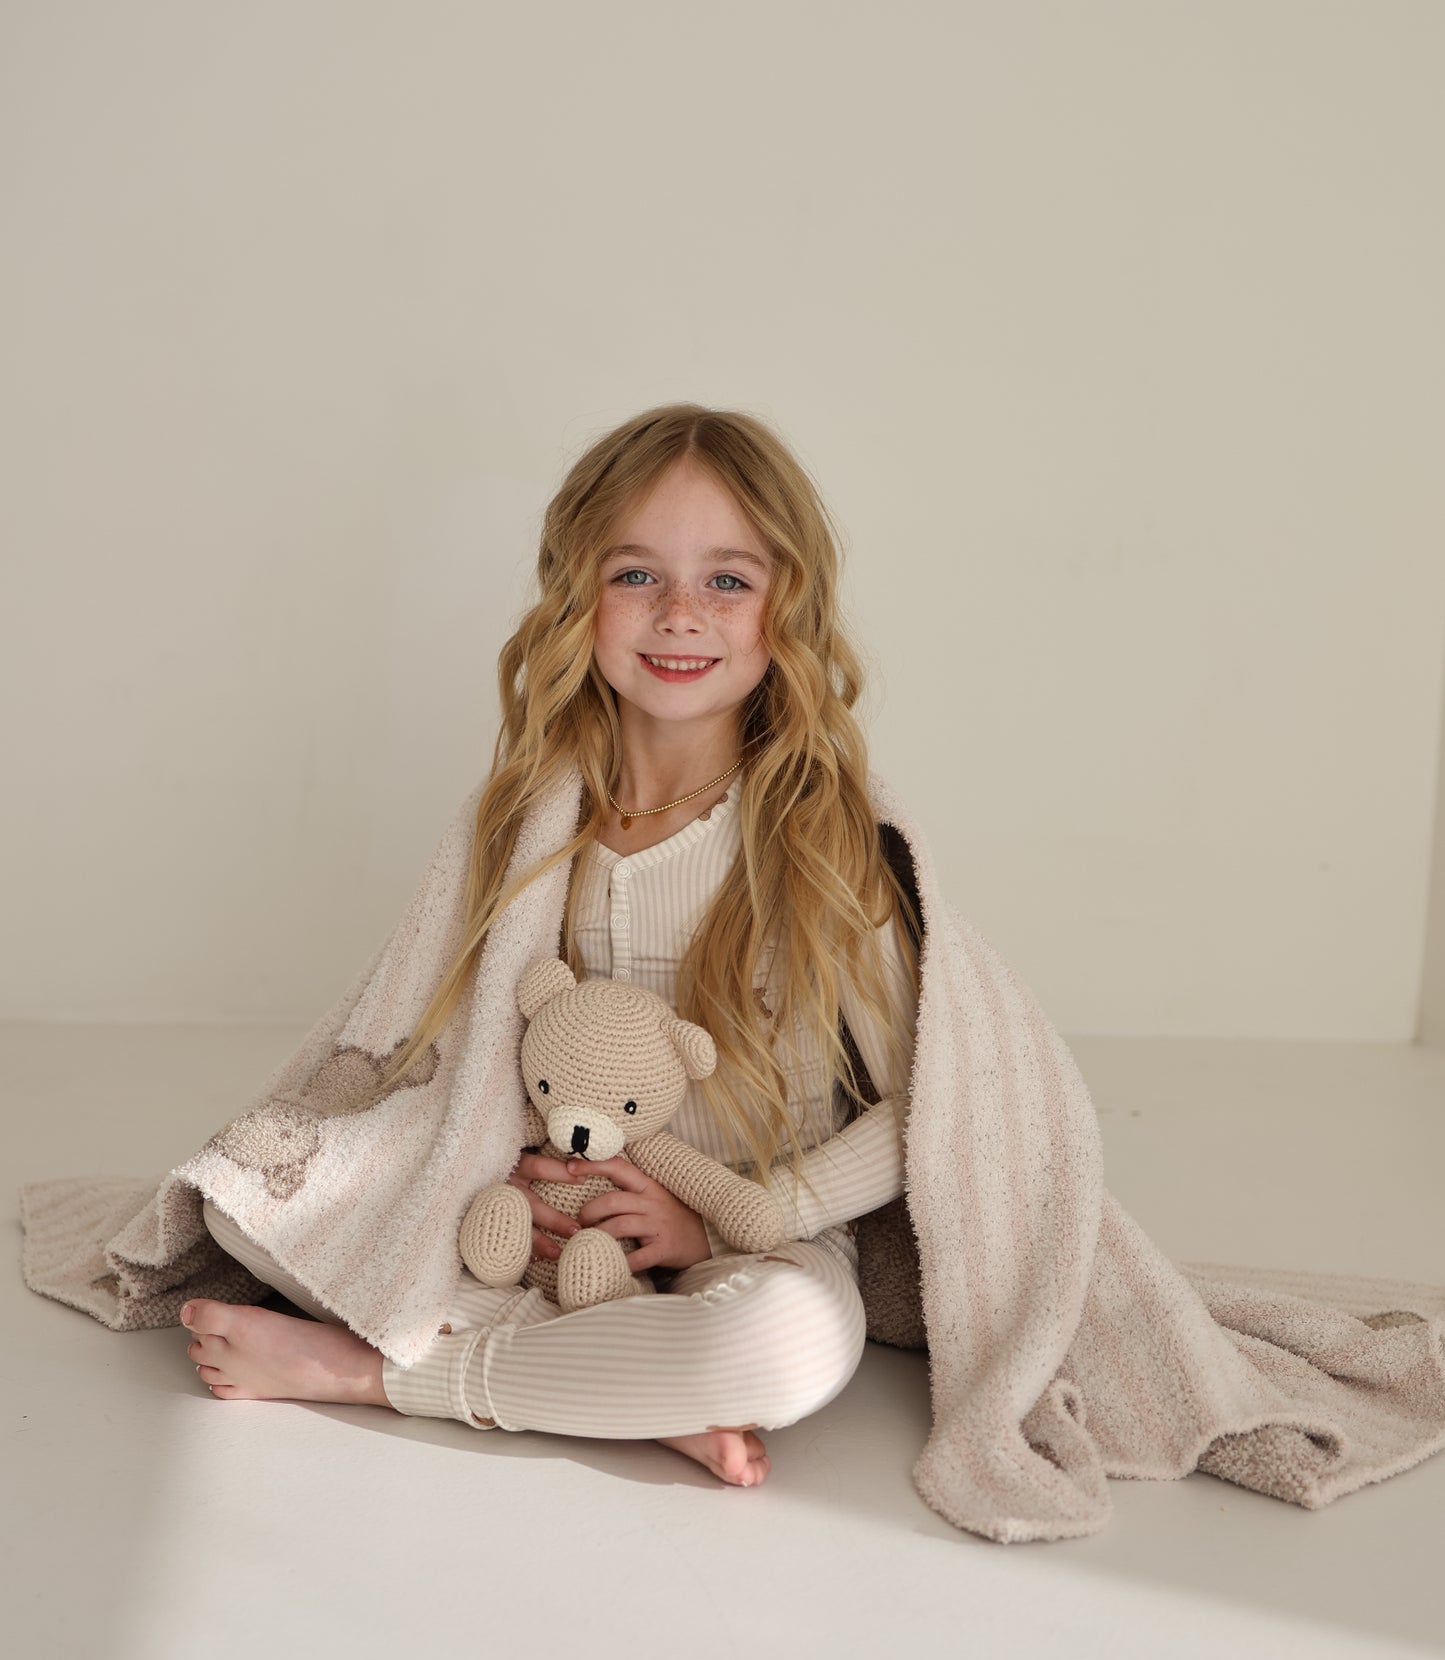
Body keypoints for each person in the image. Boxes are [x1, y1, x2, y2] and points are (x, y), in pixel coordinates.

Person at [181, 403, 922, 1488]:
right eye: (635, 576)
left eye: (726, 579)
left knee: (784, 1343)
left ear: (787, 605)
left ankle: (373, 1374)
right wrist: (483, 1176)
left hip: (748, 1235)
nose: (679, 614)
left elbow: (932, 1106)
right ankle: (621, 1385)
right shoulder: (527, 817)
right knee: (240, 1185)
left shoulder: (819, 842)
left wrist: (735, 1216)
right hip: (527, 1225)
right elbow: (434, 1040)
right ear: (577, 596)